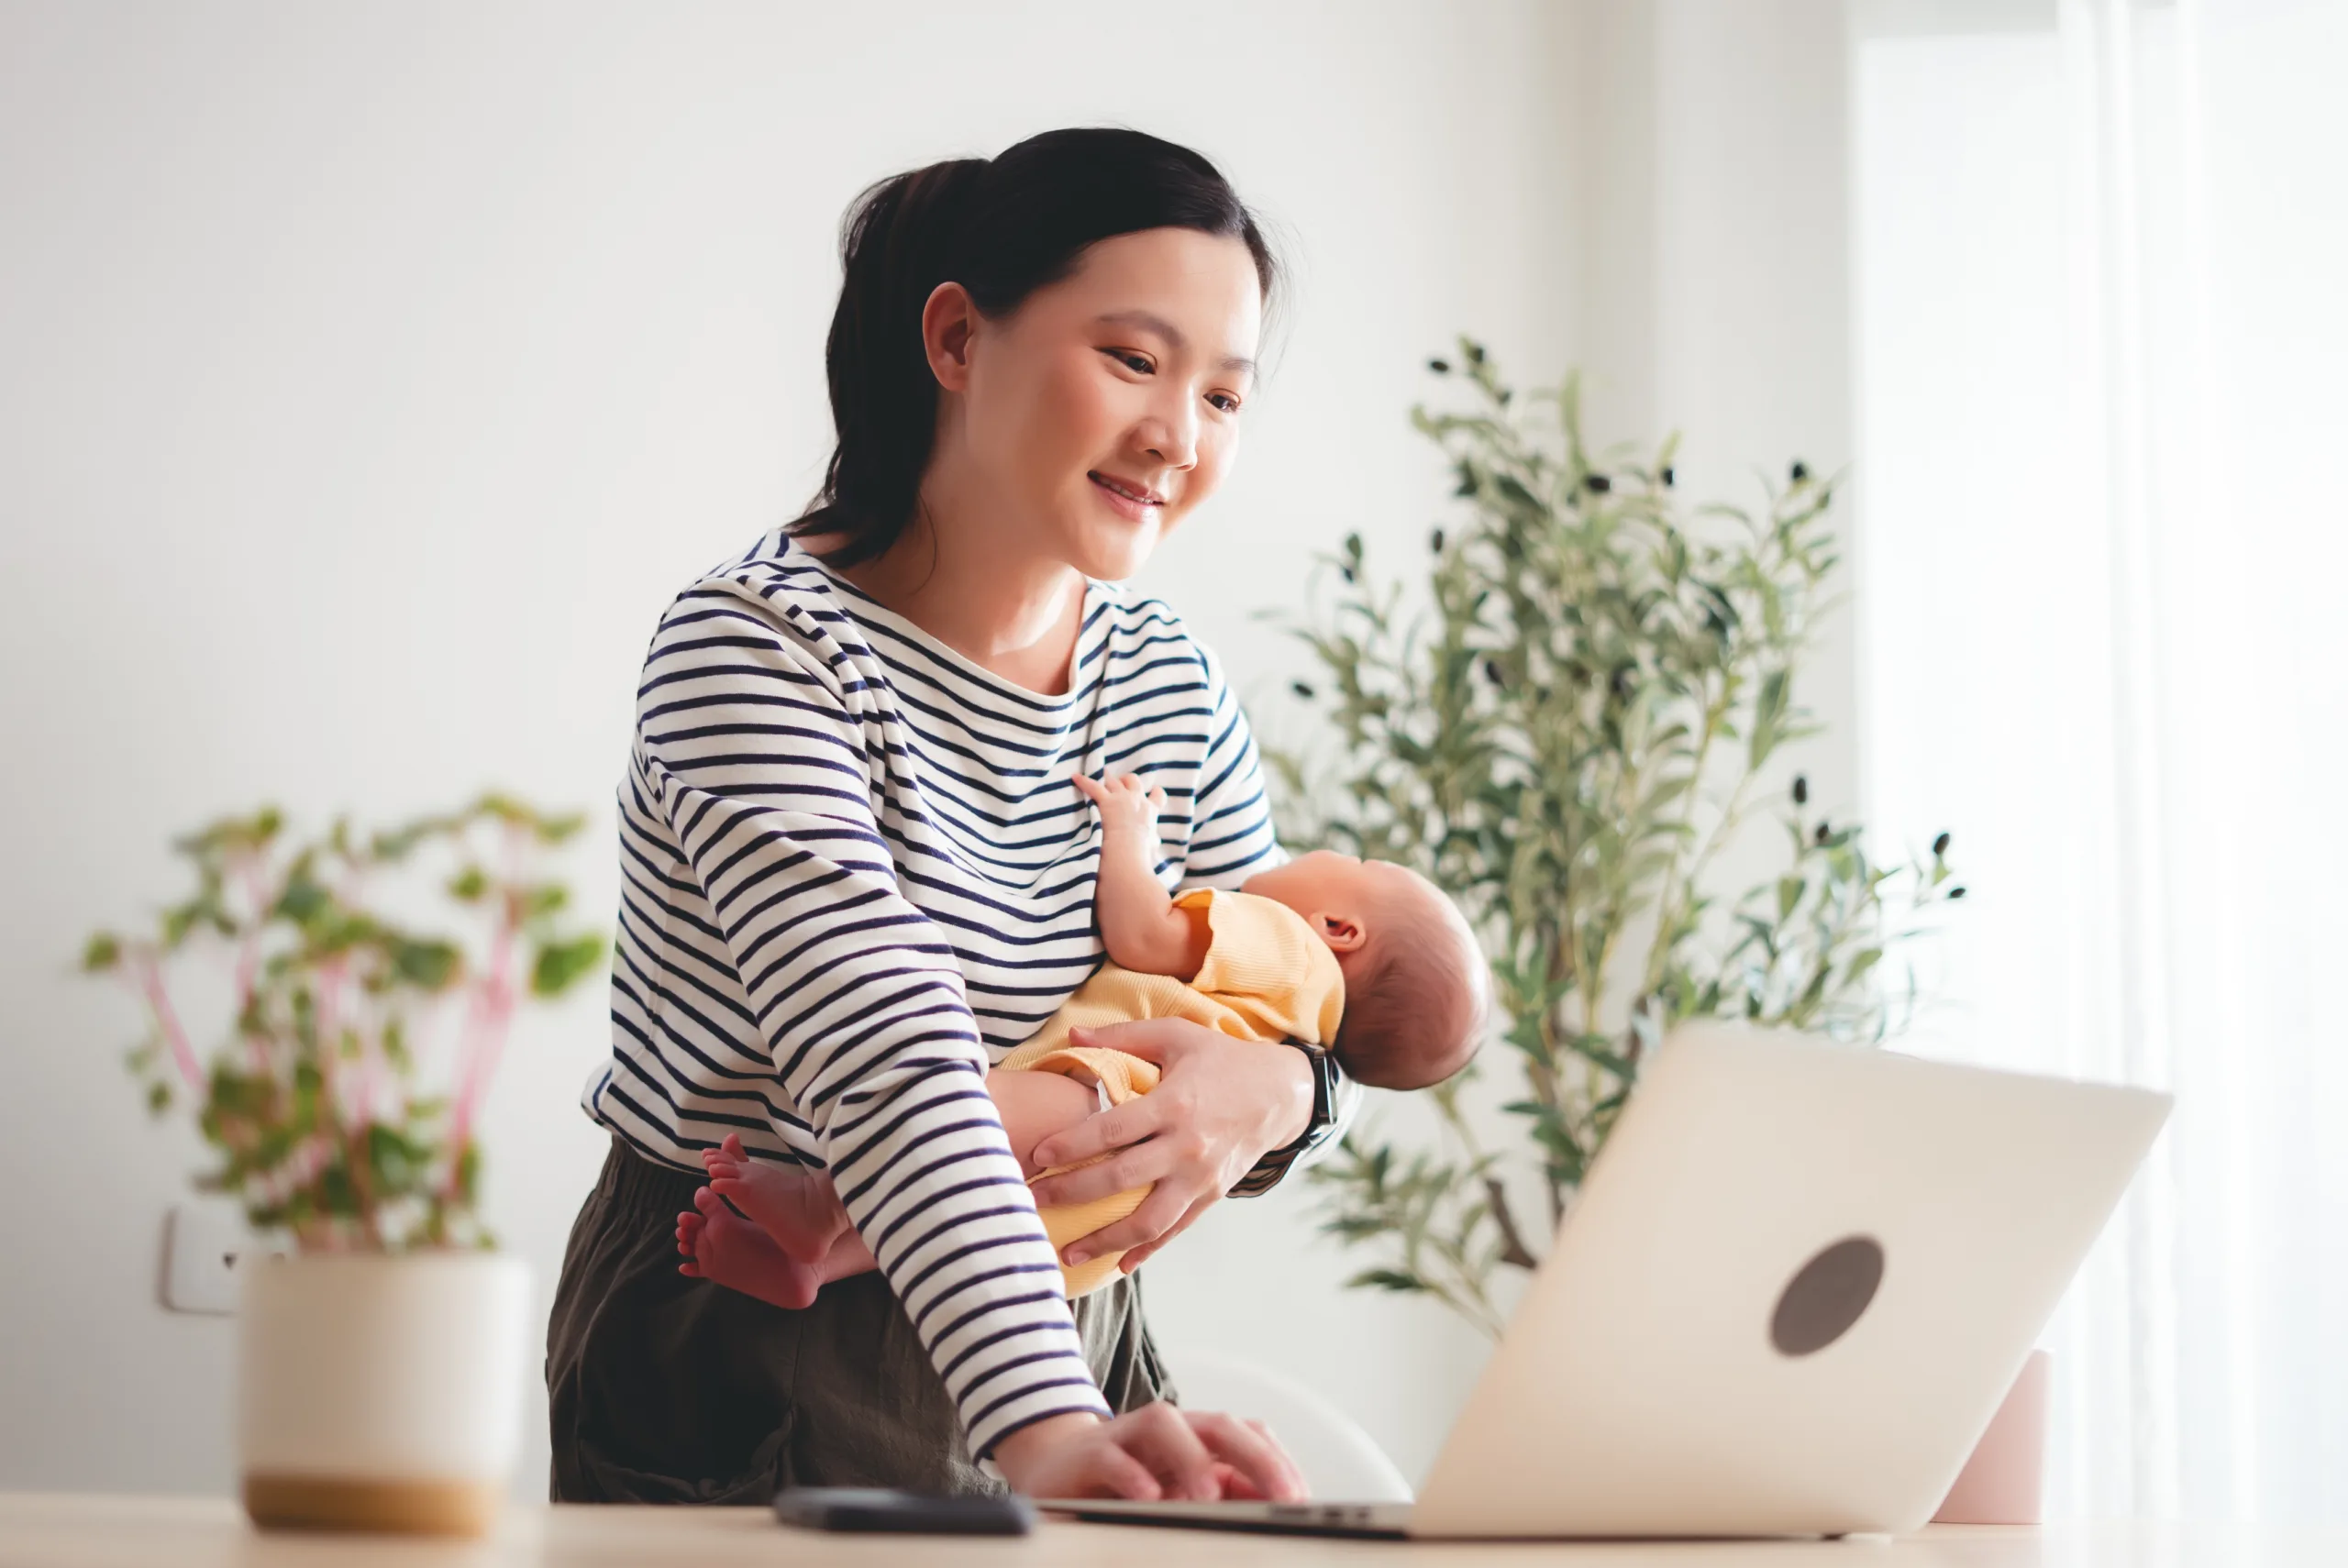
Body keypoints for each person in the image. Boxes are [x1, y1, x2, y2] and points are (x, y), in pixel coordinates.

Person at [546, 127, 1376, 1507]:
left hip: (1066, 1327)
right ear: (954, 341)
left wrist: (1279, 1092)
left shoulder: (1165, 675)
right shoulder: (756, 647)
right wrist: (1045, 1429)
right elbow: (887, 1056)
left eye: (1225, 396)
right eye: (1133, 358)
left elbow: (1297, 987)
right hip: (757, 1328)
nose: (1180, 435)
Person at [674, 770, 1490, 1307]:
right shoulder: (1302, 1017)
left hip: (1108, 1099)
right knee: (957, 1216)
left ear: (1339, 928)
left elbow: (1144, 931)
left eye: (1352, 857)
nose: (1311, 851)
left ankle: (822, 1204)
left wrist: (1129, 832)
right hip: (1110, 1232)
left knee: (950, 1115)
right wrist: (1301, 1089)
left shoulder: (1288, 943)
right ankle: (822, 1264)